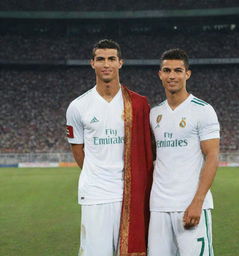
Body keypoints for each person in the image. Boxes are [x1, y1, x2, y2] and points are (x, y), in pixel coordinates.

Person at [66, 39, 153, 256]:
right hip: (96, 194)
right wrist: (97, 175)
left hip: (129, 193)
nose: (106, 64)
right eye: (101, 59)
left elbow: (148, 150)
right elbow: (78, 151)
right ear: (92, 63)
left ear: (120, 63)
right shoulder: (78, 106)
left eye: (111, 59)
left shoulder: (138, 104)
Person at [148, 49, 220, 256]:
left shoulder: (203, 110)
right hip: (159, 206)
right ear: (160, 74)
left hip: (190, 205)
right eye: (167, 70)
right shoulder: (155, 113)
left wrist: (198, 202)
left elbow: (212, 156)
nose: (172, 76)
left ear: (187, 74)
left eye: (178, 70)